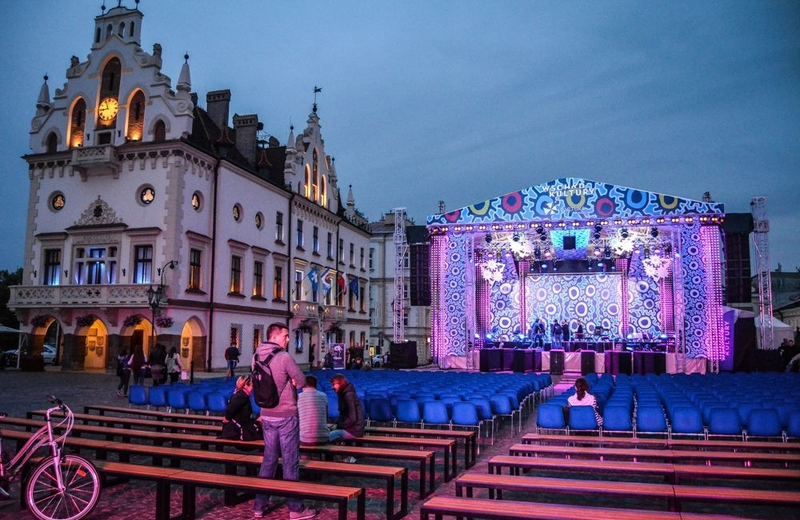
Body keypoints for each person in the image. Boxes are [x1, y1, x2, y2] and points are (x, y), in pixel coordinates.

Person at [252, 323, 316, 520]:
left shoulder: (256, 356)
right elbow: (302, 380)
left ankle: (259, 506)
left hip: (266, 414)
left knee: (269, 460)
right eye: (285, 336)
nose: (288, 340)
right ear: (275, 336)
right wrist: (294, 381)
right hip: (286, 415)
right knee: (290, 461)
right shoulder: (284, 357)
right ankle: (295, 509)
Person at [219, 375, 262, 441]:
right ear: (246, 385)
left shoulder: (241, 394)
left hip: (240, 424)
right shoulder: (241, 396)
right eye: (252, 386)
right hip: (236, 428)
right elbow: (230, 411)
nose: (252, 388)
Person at [328, 373, 365, 442]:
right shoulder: (343, 394)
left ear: (340, 383)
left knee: (327, 437)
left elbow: (352, 419)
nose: (332, 387)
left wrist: (339, 426)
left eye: (333, 384)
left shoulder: (348, 395)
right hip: (350, 428)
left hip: (354, 431)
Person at [297, 375, 329, 445]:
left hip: (305, 438)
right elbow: (326, 416)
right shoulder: (323, 396)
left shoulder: (298, 397)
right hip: (324, 437)